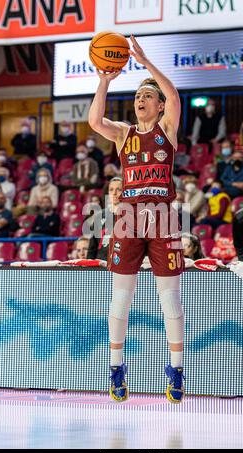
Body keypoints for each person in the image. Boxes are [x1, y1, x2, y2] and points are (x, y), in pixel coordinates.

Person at [88, 35, 185, 403]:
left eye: (147, 97)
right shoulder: (123, 134)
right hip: (127, 218)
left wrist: (145, 64)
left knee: (169, 300)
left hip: (163, 218)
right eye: (137, 97)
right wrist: (104, 81)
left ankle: (175, 369)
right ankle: (116, 368)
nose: (140, 101)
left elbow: (174, 94)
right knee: (120, 299)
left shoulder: (167, 131)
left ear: (159, 107)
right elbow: (95, 120)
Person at [87, 177, 122, 262]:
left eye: (118, 189)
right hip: (101, 266)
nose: (114, 193)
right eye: (111, 190)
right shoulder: (98, 216)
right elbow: (92, 248)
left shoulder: (132, 216)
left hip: (123, 267)